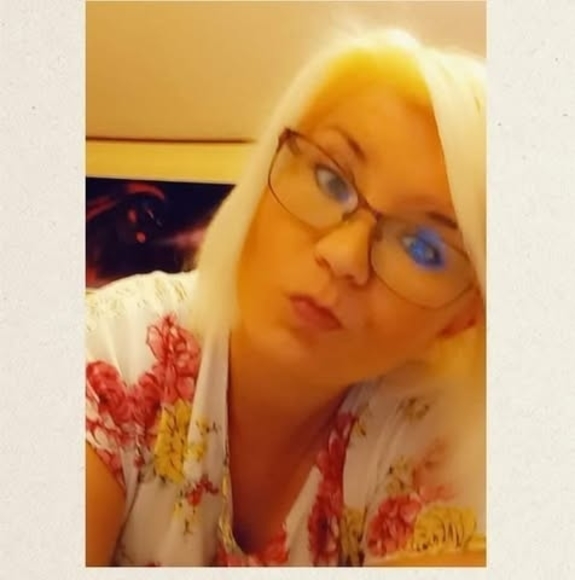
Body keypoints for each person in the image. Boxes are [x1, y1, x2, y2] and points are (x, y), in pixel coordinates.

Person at [86, 28, 486, 567]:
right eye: (330, 179)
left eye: (423, 248)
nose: (344, 256)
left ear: (463, 317)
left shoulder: (439, 448)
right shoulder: (114, 353)